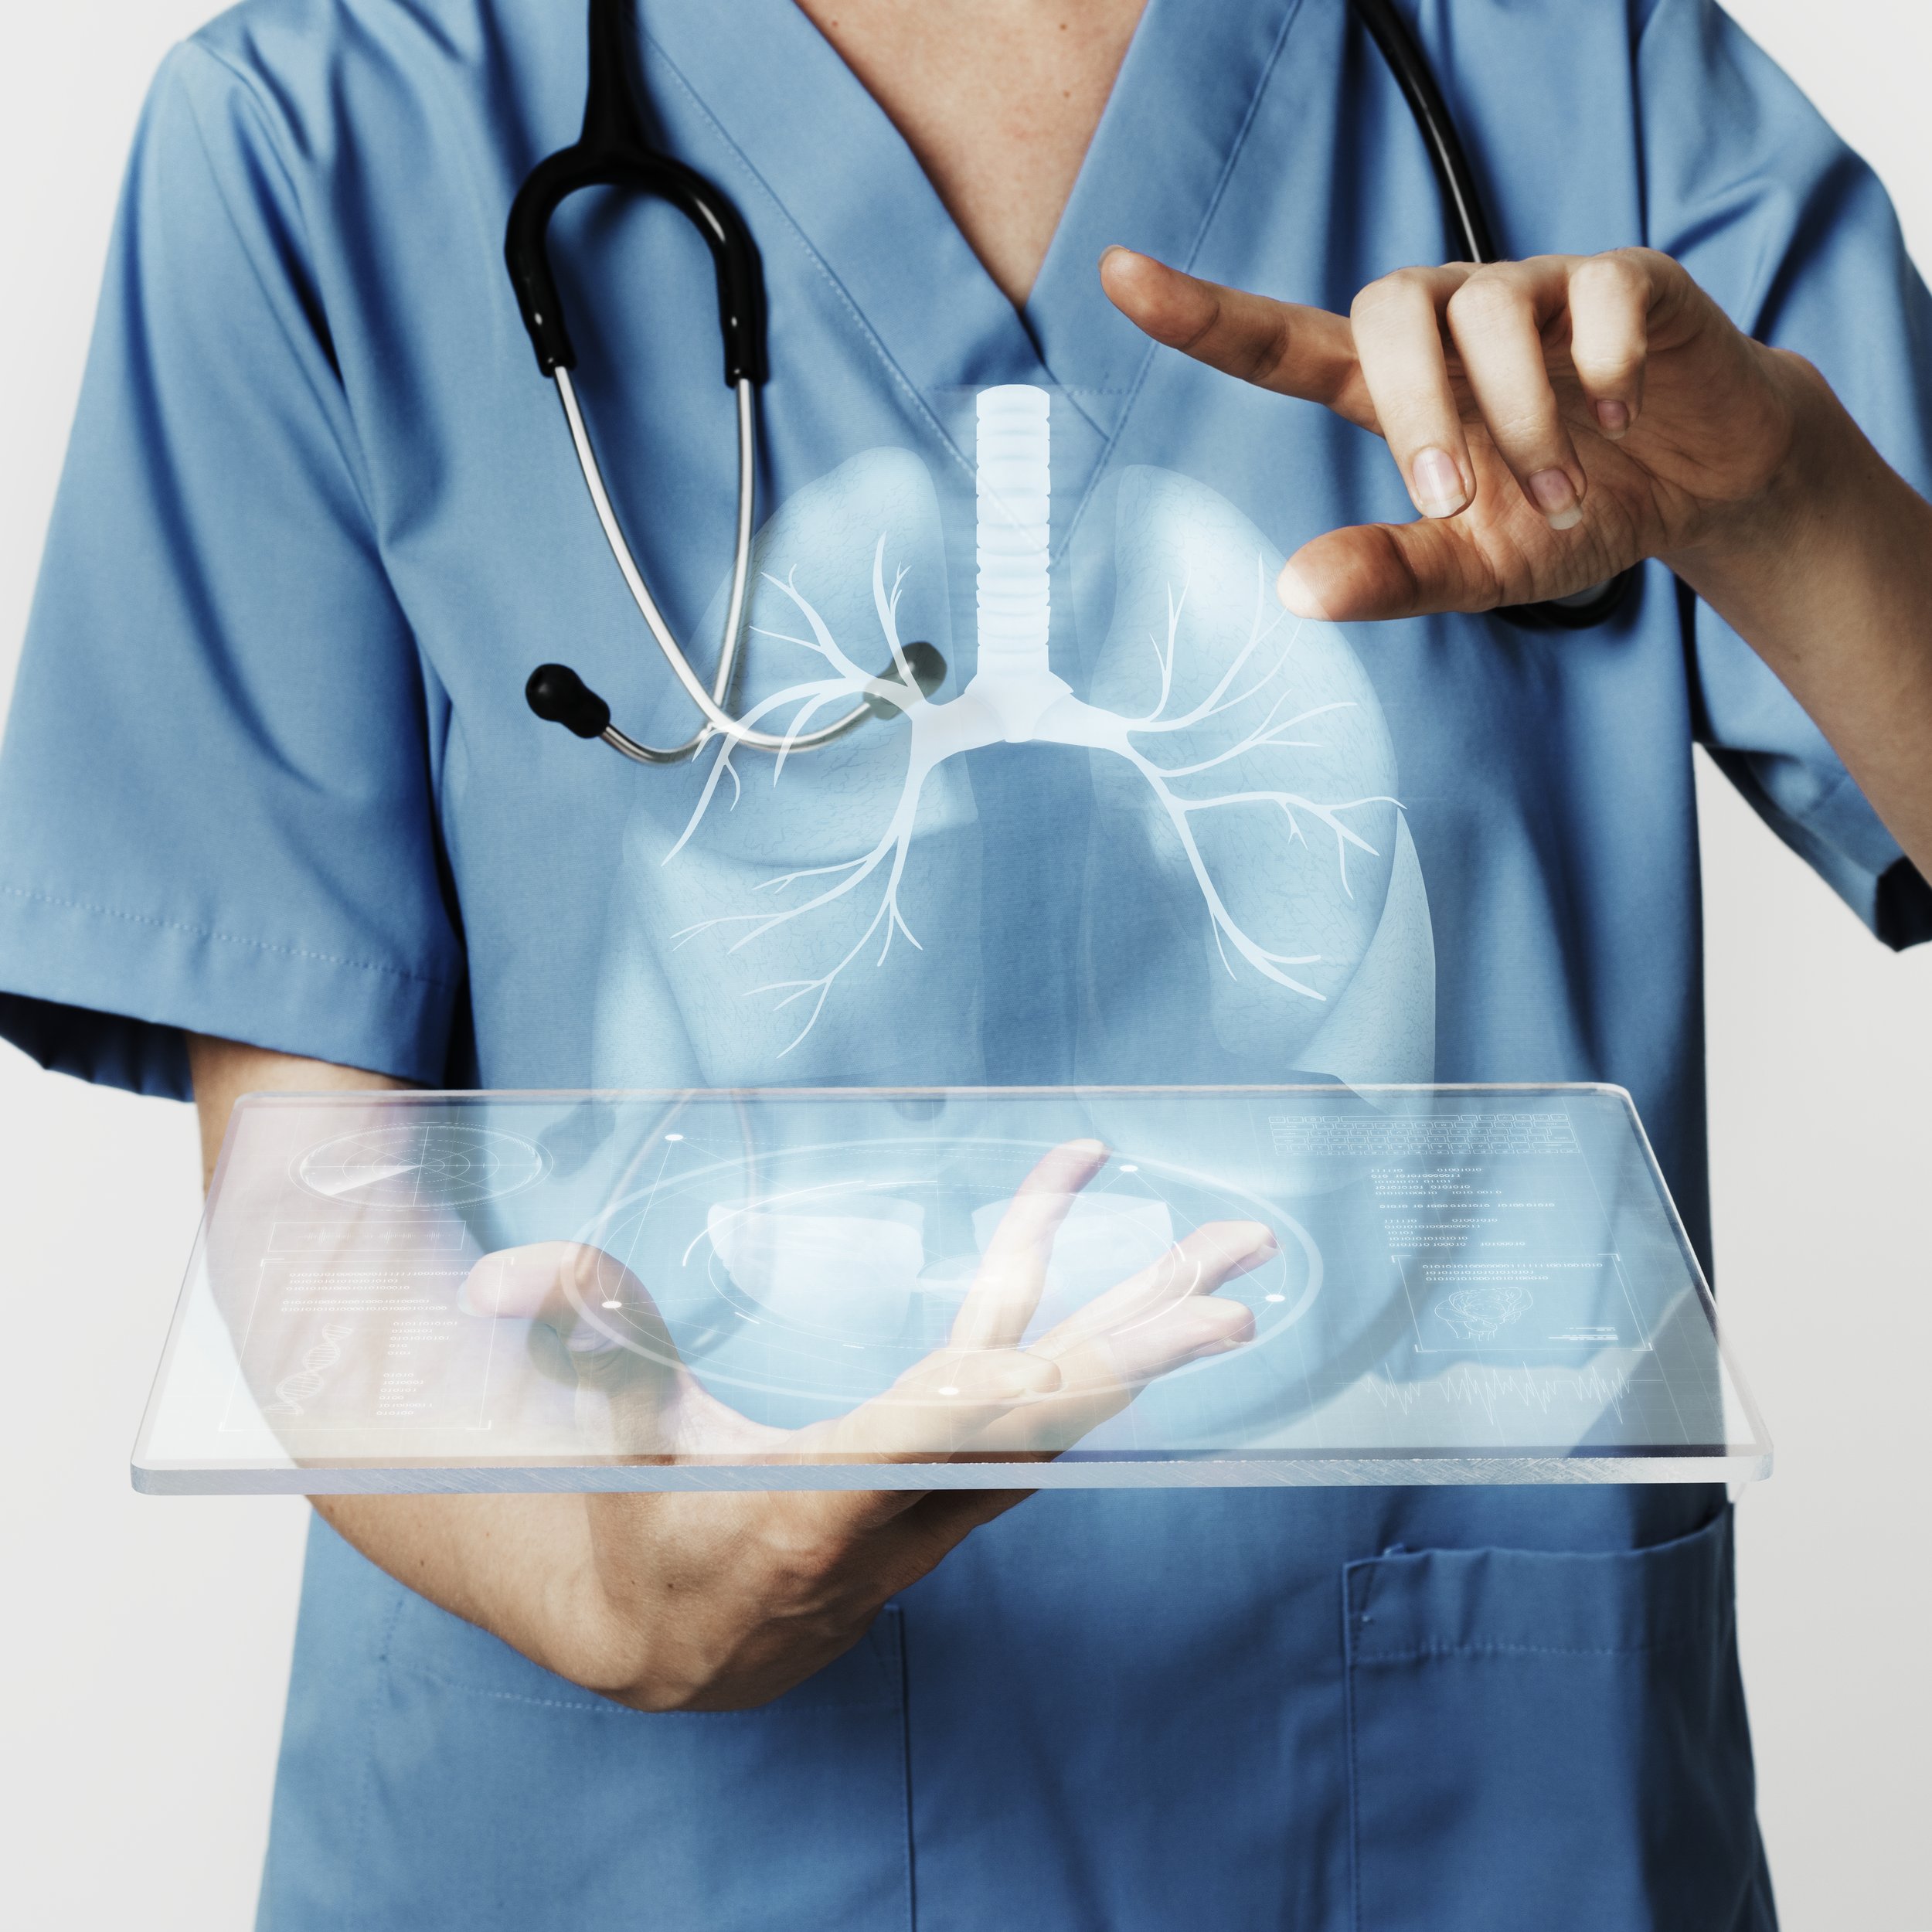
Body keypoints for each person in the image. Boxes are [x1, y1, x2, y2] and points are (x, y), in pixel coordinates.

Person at [1, 2, 1927, 1926]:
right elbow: (311, 1188)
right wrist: (618, 1576)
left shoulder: (1576, 73)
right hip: (646, 1848)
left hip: (1445, 1823)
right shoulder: (325, 129)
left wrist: (1787, 512)